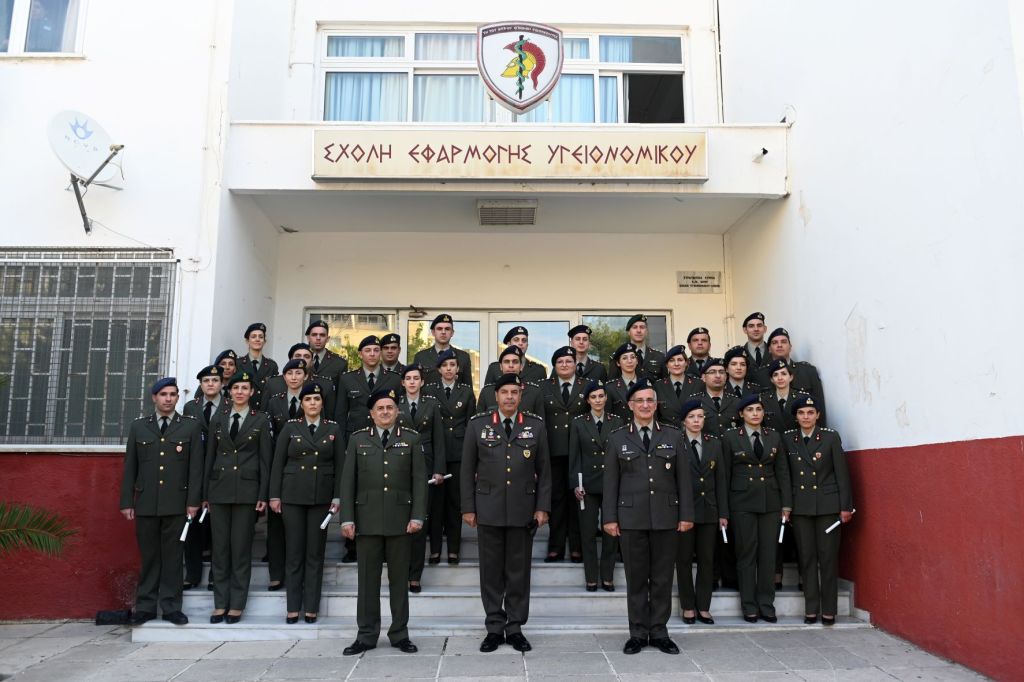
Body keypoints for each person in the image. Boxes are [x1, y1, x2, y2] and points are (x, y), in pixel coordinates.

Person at [462, 373, 551, 653]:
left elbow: (545, 472)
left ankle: (514, 628)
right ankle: (493, 627)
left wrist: (542, 507)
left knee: (518, 572)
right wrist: (468, 508)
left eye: (514, 392)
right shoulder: (478, 425)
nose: (510, 397)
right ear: (496, 396)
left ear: (521, 396)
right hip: (487, 509)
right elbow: (466, 470)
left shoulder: (535, 426)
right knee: (490, 572)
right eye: (505, 392)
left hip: (522, 510)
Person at [602, 380, 693, 655]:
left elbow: (684, 480)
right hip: (631, 518)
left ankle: (660, 632)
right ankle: (638, 633)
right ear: (630, 405)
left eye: (650, 400)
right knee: (636, 578)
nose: (645, 405)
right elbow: (610, 483)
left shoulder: (674, 435)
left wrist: (686, 514)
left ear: (656, 404)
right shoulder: (617, 438)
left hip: (666, 516)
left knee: (663, 578)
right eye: (639, 401)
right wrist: (609, 518)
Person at [340, 389, 426, 655]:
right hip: (366, 521)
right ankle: (366, 635)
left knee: (399, 582)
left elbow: (419, 482)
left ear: (397, 411)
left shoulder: (411, 439)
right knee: (367, 582)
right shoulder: (358, 439)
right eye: (380, 408)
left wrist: (417, 515)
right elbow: (348, 482)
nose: (385, 412)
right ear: (371, 413)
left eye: (390, 407)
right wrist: (347, 518)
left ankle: (400, 634)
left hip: (401, 521)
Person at [119, 377, 203, 626]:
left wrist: (193, 501)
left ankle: (171, 608)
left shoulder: (190, 426)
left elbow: (196, 468)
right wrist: (127, 501)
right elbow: (130, 467)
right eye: (163, 394)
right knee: (149, 557)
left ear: (178, 397)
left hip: (177, 504)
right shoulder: (139, 427)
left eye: (173, 394)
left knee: (174, 558)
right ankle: (145, 607)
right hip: (146, 503)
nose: (168, 399)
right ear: (154, 397)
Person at [268, 382, 343, 624]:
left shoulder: (333, 428)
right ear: (301, 403)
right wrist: (274, 495)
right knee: (294, 553)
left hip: (321, 498)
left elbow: (340, 466)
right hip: (292, 496)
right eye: (308, 399)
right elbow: (277, 463)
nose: (312, 403)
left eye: (317, 399)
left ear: (322, 403)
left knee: (315, 553)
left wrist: (338, 496)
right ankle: (292, 607)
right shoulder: (291, 427)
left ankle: (311, 606)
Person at [203, 371, 272, 624]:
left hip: (247, 491)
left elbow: (265, 460)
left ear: (252, 392)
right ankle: (220, 603)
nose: (240, 392)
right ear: (229, 392)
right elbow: (209, 457)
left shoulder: (261, 419)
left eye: (244, 388)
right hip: (219, 490)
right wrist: (205, 494)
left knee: (240, 549)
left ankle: (236, 604)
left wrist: (263, 494)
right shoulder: (218, 418)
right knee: (220, 550)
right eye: (236, 388)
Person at [719, 394, 791, 623]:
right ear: (741, 414)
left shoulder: (774, 436)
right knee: (746, 555)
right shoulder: (730, 437)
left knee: (768, 555)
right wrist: (723, 511)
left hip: (771, 502)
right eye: (750, 410)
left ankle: (766, 604)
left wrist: (786, 504)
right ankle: (749, 605)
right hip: (742, 503)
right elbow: (724, 475)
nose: (755, 413)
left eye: (759, 409)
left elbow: (782, 471)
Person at [785, 395, 853, 625]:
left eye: (810, 413)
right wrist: (787, 506)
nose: (806, 417)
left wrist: (845, 506)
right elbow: (786, 475)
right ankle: (811, 609)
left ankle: (829, 610)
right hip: (801, 506)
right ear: (796, 416)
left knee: (828, 559)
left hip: (827, 506)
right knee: (806, 559)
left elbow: (842, 474)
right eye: (801, 413)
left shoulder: (830, 437)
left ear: (818, 415)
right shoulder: (789, 439)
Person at [263, 357, 317, 592]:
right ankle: (276, 573)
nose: (294, 377)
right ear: (284, 377)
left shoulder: (312, 400)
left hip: (303, 467)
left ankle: (300, 574)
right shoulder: (274, 401)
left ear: (306, 376)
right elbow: (266, 432)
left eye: (299, 373)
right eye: (290, 373)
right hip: (278, 464)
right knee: (276, 524)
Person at [568, 379, 623, 592]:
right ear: (587, 400)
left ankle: (607, 577)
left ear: (606, 398)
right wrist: (576, 484)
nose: (598, 400)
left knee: (611, 532)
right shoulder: (578, 423)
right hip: (587, 485)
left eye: (601, 396)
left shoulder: (616, 421)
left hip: (611, 484)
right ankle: (591, 577)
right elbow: (574, 456)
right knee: (588, 532)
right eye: (593, 397)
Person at [675, 399, 726, 625]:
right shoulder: (676, 442)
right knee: (684, 559)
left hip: (709, 510)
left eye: (700, 417)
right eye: (692, 417)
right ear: (684, 421)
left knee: (707, 560)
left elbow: (720, 480)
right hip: (684, 511)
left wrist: (723, 513)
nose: (696, 421)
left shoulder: (714, 443)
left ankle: (703, 606)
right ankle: (688, 606)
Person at [396, 364, 446, 593]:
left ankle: (415, 576)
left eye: (416, 378)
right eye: (408, 378)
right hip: (399, 467)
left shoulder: (431, 404)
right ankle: (400, 573)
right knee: (399, 524)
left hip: (425, 467)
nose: (412, 382)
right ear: (403, 382)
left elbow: (438, 439)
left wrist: (438, 469)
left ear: (422, 382)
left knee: (418, 522)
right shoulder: (394, 404)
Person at [423, 349, 476, 565]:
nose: (449, 369)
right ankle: (435, 550)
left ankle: (454, 549)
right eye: (445, 365)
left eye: (452, 365)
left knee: (455, 503)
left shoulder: (466, 391)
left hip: (458, 452)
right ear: (438, 369)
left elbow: (471, 424)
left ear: (458, 369)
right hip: (436, 452)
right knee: (436, 505)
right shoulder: (429, 390)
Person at [540, 346, 588, 563]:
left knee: (578, 499)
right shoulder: (544, 387)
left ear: (575, 364)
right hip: (554, 452)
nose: (565, 365)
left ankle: (577, 546)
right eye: (560, 362)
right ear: (555, 366)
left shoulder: (587, 385)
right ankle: (556, 546)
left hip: (581, 452)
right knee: (557, 499)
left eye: (569, 361)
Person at [182, 365, 224, 591]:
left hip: (221, 469)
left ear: (221, 384)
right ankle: (192, 574)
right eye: (206, 380)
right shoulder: (191, 406)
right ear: (201, 384)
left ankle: (216, 576)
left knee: (218, 528)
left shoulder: (230, 405)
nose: (210, 384)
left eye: (215, 380)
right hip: (195, 468)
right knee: (193, 525)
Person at [334, 335, 402, 442]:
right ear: (360, 354)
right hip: (355, 438)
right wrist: (341, 443)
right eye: (368, 350)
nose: (372, 354)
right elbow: (340, 415)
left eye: (376, 350)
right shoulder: (347, 379)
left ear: (380, 353)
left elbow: (400, 412)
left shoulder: (395, 379)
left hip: (386, 437)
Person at [755, 328, 828, 426]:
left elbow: (819, 407)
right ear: (769, 349)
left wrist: (818, 434)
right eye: (775, 342)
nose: (779, 345)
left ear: (790, 347)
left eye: (784, 342)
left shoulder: (808, 371)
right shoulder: (760, 374)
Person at [476, 346, 544, 415]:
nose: (511, 365)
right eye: (506, 362)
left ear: (521, 367)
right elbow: (479, 420)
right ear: (500, 366)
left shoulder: (534, 393)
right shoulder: (487, 392)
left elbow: (540, 421)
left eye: (515, 362)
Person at [413, 313, 473, 388]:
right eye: (439, 329)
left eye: (447, 329)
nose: (443, 332)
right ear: (433, 332)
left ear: (452, 333)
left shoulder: (463, 357)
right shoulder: (421, 357)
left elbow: (468, 389)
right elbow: (416, 387)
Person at [655, 345, 704, 427]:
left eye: (680, 360)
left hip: (691, 431)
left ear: (686, 363)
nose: (676, 364)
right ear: (667, 365)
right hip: (667, 432)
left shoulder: (698, 384)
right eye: (672, 360)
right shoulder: (658, 386)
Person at [236, 322, 279, 409]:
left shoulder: (272, 365)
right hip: (244, 411)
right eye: (253, 336)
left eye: (261, 337)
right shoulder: (238, 363)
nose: (257, 339)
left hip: (264, 412)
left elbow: (274, 392)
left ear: (264, 341)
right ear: (247, 341)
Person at [692, 359, 740, 437]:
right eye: (712, 372)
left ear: (726, 377)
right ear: (704, 377)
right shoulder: (694, 401)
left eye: (721, 372)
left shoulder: (736, 402)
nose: (718, 376)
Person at [608, 315, 665, 380]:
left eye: (642, 327)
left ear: (646, 332)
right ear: (629, 332)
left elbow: (665, 384)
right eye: (634, 327)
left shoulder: (659, 357)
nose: (638, 330)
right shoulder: (617, 357)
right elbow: (613, 384)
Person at [306, 319, 348, 398]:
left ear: (328, 339)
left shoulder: (339, 363)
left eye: (322, 335)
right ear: (308, 338)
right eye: (314, 335)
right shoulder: (300, 359)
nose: (318, 338)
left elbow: (342, 394)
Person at [604, 342, 642, 420]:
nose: (629, 361)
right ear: (618, 363)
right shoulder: (610, 388)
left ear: (637, 361)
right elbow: (608, 418)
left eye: (632, 357)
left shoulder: (645, 384)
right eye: (625, 358)